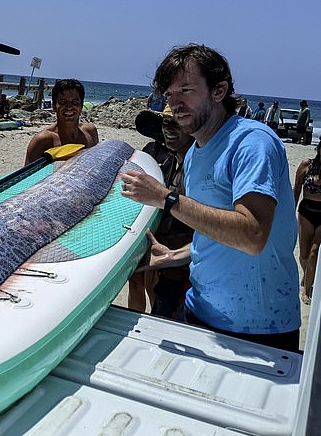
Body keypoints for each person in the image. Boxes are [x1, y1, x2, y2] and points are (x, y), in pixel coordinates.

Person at [120, 44, 300, 352]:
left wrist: (167, 198)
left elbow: (252, 235)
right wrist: (175, 255)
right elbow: (216, 230)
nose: (174, 104)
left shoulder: (251, 143)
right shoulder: (195, 154)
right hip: (200, 310)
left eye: (186, 90)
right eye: (169, 94)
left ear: (219, 91)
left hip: (259, 326)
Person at [128, 106, 194, 316]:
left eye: (176, 122)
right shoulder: (154, 152)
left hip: (179, 252)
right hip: (153, 236)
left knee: (157, 290)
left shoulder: (192, 164)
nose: (170, 129)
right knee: (140, 283)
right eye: (166, 122)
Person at [24, 79, 99, 164]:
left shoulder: (90, 131)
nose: (69, 107)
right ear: (54, 106)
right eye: (63, 102)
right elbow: (26, 174)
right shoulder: (42, 140)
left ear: (81, 106)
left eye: (74, 102)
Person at [293, 142, 321, 305]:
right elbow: (296, 190)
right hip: (306, 212)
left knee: (313, 252)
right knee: (303, 255)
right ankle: (307, 275)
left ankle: (306, 290)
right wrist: (291, 212)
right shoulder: (306, 165)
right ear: (319, 149)